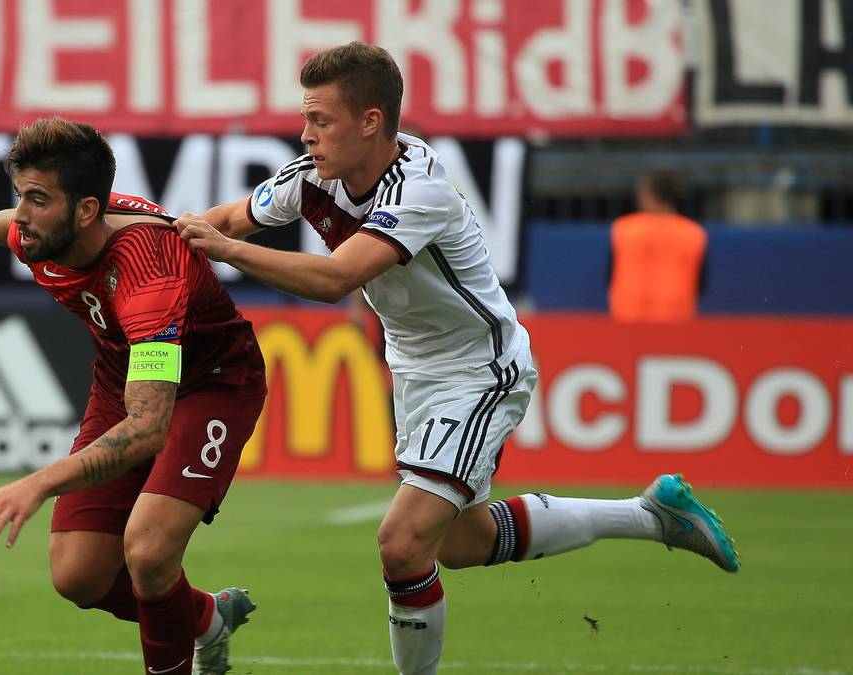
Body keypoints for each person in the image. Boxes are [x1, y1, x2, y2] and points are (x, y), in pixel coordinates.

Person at [174, 42, 739, 675]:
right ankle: (650, 516)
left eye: (320, 120)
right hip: (416, 373)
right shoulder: (313, 175)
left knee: (402, 544)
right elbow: (230, 218)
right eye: (306, 118)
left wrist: (224, 249)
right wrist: (161, 241)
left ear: (370, 121)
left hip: (478, 370)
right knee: (464, 543)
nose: (305, 134)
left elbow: (335, 278)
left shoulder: (419, 191)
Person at [0, 118, 266, 675]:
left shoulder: (149, 274)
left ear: (85, 211)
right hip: (119, 383)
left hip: (212, 384)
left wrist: (38, 483)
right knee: (78, 575)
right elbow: (5, 225)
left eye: (38, 199)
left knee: (149, 550)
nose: (22, 214)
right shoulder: (40, 231)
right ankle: (206, 617)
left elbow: (148, 428)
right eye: (20, 195)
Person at [608, 172, 708, 321]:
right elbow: (701, 282)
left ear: (648, 195)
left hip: (629, 317)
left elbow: (610, 274)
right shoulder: (693, 233)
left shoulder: (623, 229)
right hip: (676, 319)